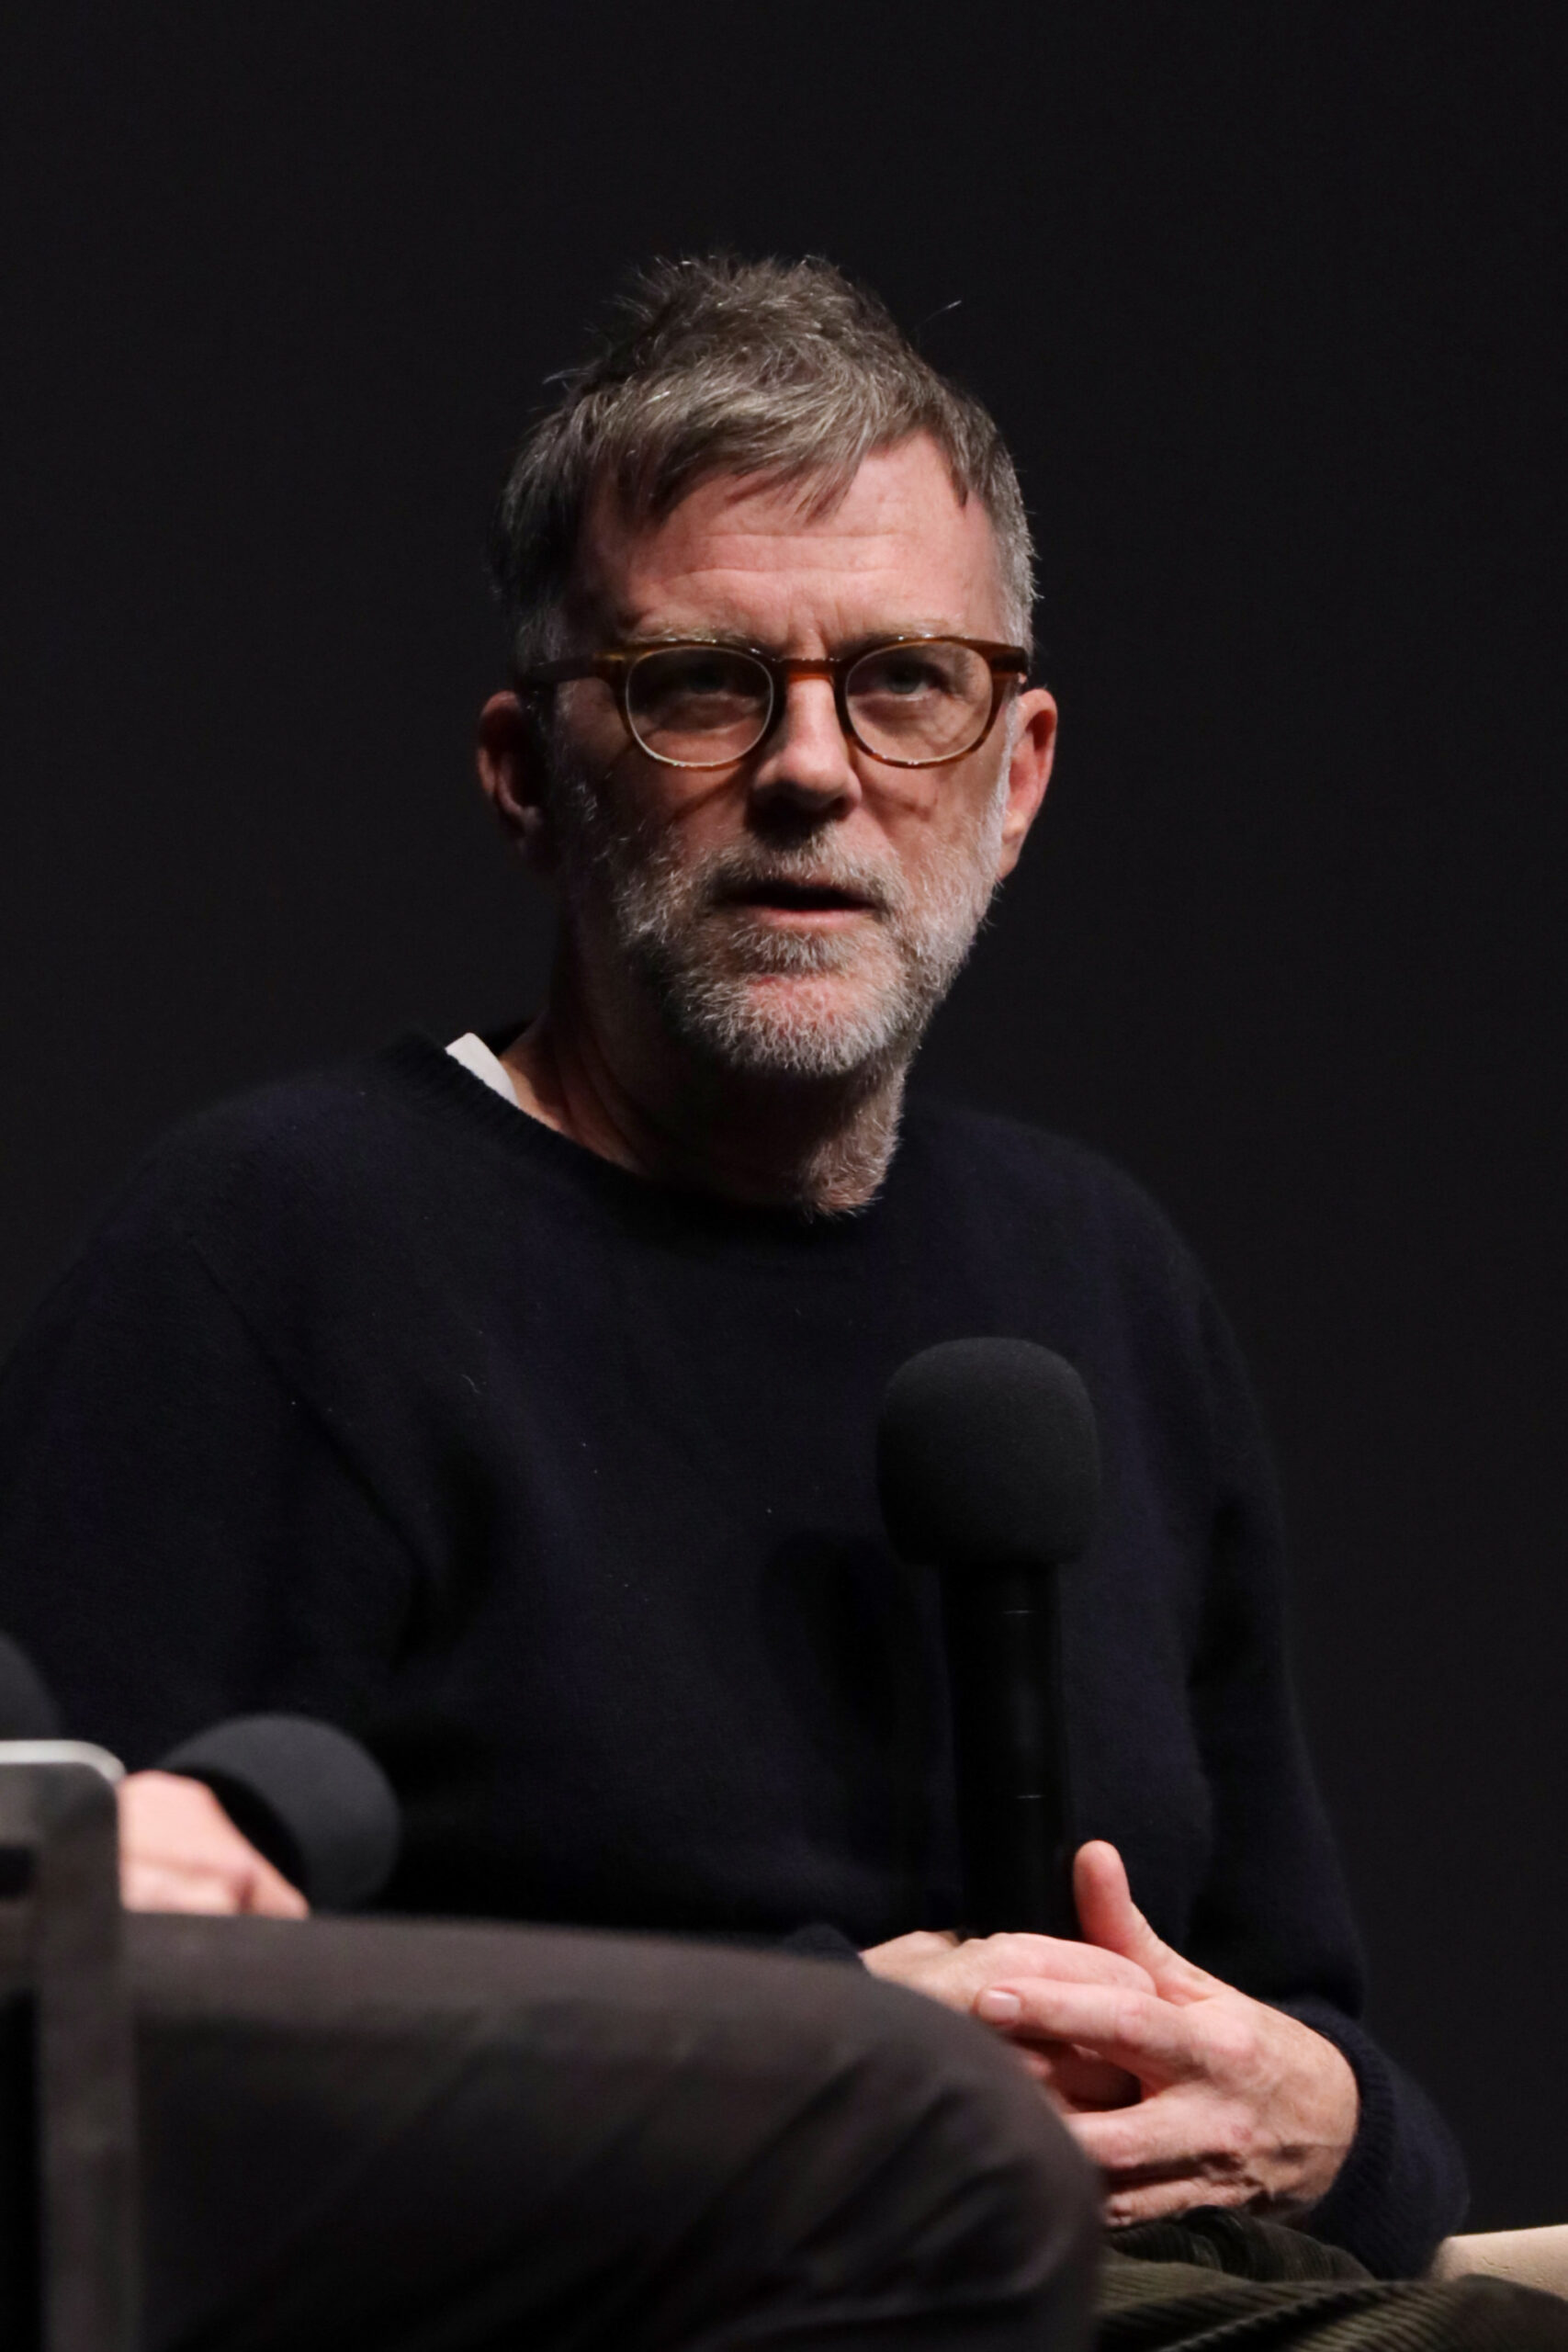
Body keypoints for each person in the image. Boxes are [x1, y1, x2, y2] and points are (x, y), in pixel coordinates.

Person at [1, 254, 1562, 2347]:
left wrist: (1334, 2112)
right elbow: (84, 2067)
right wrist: (826, 2062)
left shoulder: (1100, 1278)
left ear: (1011, 779)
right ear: (523, 773)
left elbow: (1320, 2056)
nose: (810, 770)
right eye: (698, 685)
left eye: (902, 682)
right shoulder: (276, 1252)